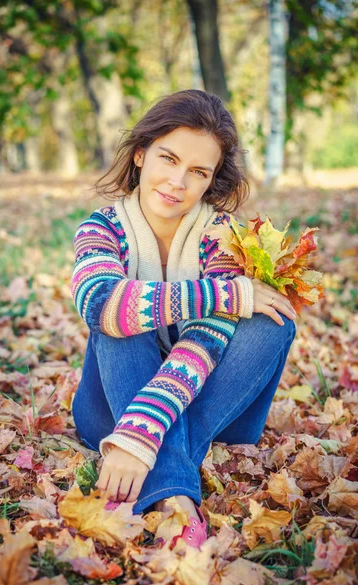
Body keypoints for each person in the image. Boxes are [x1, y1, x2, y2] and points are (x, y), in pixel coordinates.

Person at [70, 89, 297, 548]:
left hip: (214, 407)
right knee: (124, 312)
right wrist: (228, 293)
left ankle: (153, 465)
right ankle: (174, 491)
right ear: (140, 154)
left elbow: (205, 341)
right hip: (109, 409)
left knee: (273, 322)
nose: (178, 182)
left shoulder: (224, 239)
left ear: (212, 179)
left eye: (197, 171)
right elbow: (100, 304)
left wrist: (140, 433)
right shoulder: (102, 228)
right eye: (168, 159)